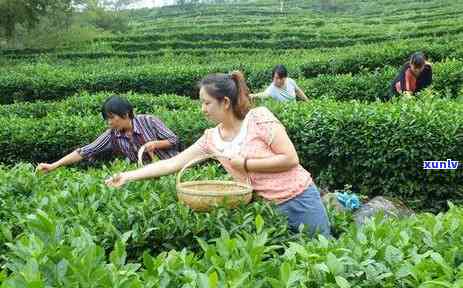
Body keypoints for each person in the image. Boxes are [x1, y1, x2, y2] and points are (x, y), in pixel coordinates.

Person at [106, 72, 330, 237]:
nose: (202, 109)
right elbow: (172, 164)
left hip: (298, 199)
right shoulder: (211, 138)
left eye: (206, 103)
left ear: (225, 102)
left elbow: (290, 159)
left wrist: (244, 164)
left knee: (321, 250)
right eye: (201, 102)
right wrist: (127, 176)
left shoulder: (259, 118)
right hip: (264, 208)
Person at [36, 95, 180, 173]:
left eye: (112, 118)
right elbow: (84, 151)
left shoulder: (149, 121)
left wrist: (155, 144)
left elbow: (174, 140)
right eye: (107, 119)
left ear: (125, 114)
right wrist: (54, 165)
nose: (109, 123)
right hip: (148, 175)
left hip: (174, 167)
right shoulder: (111, 135)